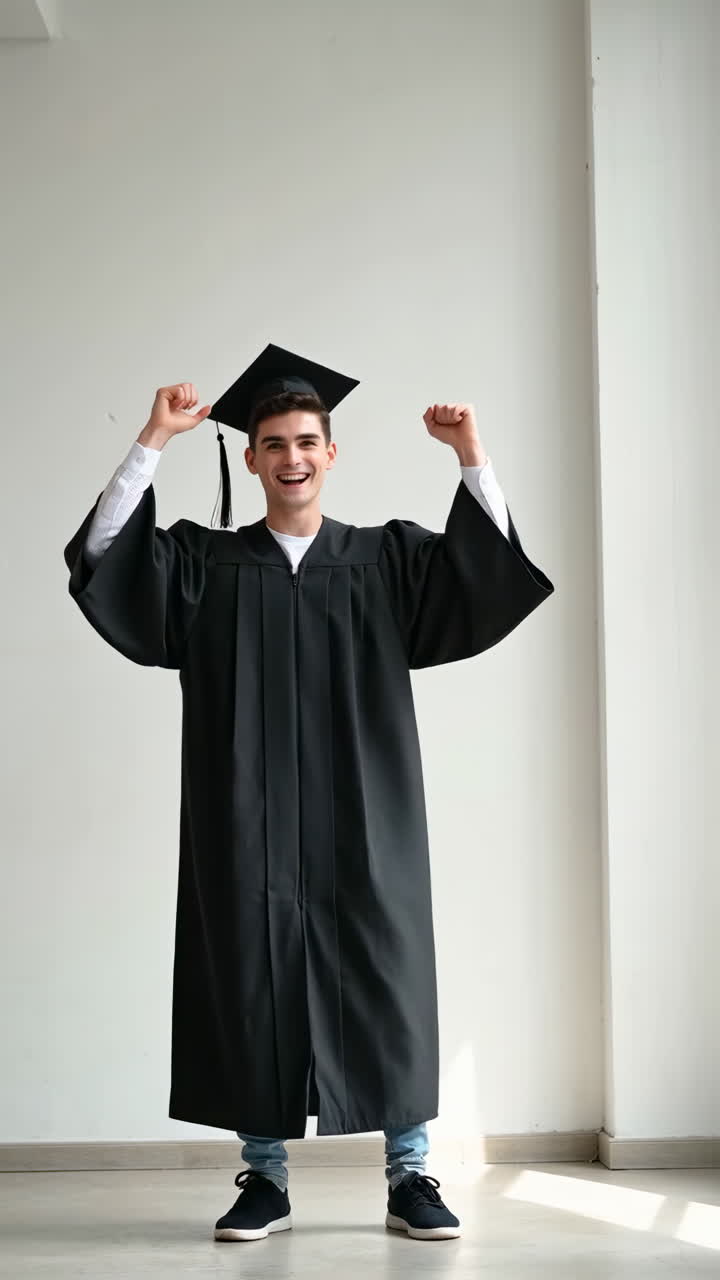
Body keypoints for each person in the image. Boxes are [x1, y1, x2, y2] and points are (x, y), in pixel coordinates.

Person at [63, 349, 554, 1243]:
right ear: (249, 459)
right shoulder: (205, 565)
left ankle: (411, 1174)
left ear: (333, 455)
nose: (291, 457)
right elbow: (103, 555)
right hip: (244, 819)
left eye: (306, 442)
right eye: (273, 443)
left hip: (370, 814)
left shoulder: (386, 560)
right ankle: (265, 1178)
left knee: (388, 971)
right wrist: (155, 438)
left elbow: (487, 575)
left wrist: (469, 453)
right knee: (253, 974)